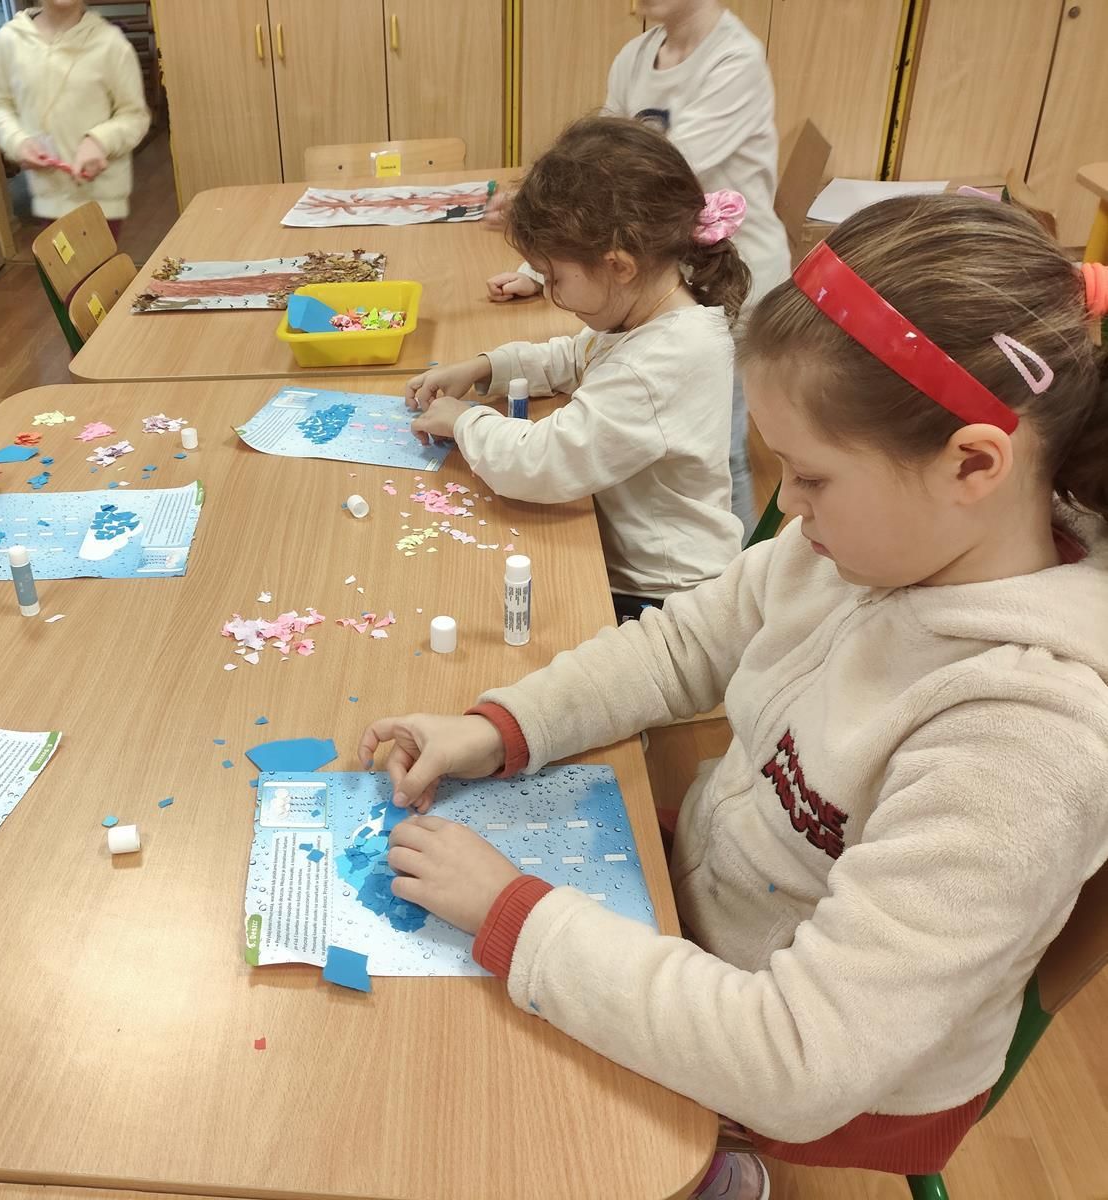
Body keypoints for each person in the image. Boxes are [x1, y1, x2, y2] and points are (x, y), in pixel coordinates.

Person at [365, 198, 1108, 1196]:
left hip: (824, 1073)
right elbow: (678, 647)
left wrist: (511, 912)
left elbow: (797, 1063)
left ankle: (711, 1173)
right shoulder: (861, 547)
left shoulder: (1024, 739)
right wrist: (497, 726)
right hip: (714, 902)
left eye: (809, 477)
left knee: (478, 1110)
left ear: (970, 463)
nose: (785, 509)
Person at [408, 117, 747, 618]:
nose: (550, 293)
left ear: (619, 266)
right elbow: (576, 356)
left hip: (662, 597)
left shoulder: (659, 360)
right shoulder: (652, 309)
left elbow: (542, 462)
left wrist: (464, 421)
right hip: (632, 562)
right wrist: (484, 367)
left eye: (554, 277)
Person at [488, 0, 789, 536]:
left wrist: (549, 225)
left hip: (727, 275)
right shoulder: (635, 56)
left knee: (721, 453)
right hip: (658, 271)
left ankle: (736, 573)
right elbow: (594, 164)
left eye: (558, 280)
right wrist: (543, 263)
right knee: (678, 449)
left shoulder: (734, 58)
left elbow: (651, 178)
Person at [0, 0, 152, 240]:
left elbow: (135, 115)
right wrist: (17, 142)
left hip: (101, 201)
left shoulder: (111, 44)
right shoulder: (6, 44)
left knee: (100, 265)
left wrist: (100, 141)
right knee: (60, 264)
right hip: (48, 199)